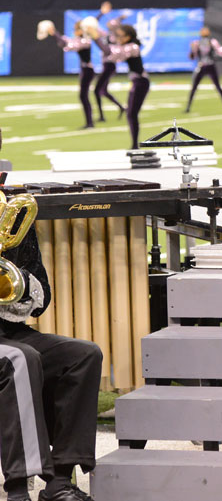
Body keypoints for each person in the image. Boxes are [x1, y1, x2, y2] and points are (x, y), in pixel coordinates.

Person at [0, 154, 103, 501]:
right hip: (11, 349)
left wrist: (19, 283)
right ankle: (18, 488)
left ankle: (60, 480)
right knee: (21, 359)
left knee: (83, 355)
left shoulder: (12, 218)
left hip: (9, 331)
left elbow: (41, 300)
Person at [89, 24, 149, 150]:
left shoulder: (133, 46)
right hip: (137, 82)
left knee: (132, 113)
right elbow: (110, 51)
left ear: (128, 36)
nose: (117, 38)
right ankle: (134, 145)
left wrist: (95, 38)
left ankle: (134, 146)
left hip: (141, 82)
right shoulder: (127, 45)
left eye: (120, 36)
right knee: (131, 114)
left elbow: (108, 51)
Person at [47, 22, 95, 129]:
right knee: (83, 96)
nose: (74, 31)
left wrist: (55, 34)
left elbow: (69, 45)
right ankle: (89, 121)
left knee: (83, 96)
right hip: (85, 69)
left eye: (76, 29)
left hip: (88, 70)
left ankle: (90, 122)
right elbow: (66, 42)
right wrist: (55, 34)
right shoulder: (80, 39)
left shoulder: (85, 40)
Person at [185, 26, 222, 114]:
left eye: (206, 30)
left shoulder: (212, 42)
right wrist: (192, 50)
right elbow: (192, 57)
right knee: (194, 88)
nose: (204, 32)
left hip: (211, 66)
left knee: (218, 87)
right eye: (203, 30)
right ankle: (188, 108)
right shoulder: (196, 43)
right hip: (201, 67)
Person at [92, 1, 126, 122]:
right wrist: (101, 13)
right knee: (103, 91)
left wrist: (120, 18)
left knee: (97, 90)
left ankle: (101, 116)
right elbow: (93, 25)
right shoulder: (107, 34)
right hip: (107, 65)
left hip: (110, 65)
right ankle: (121, 108)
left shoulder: (114, 37)